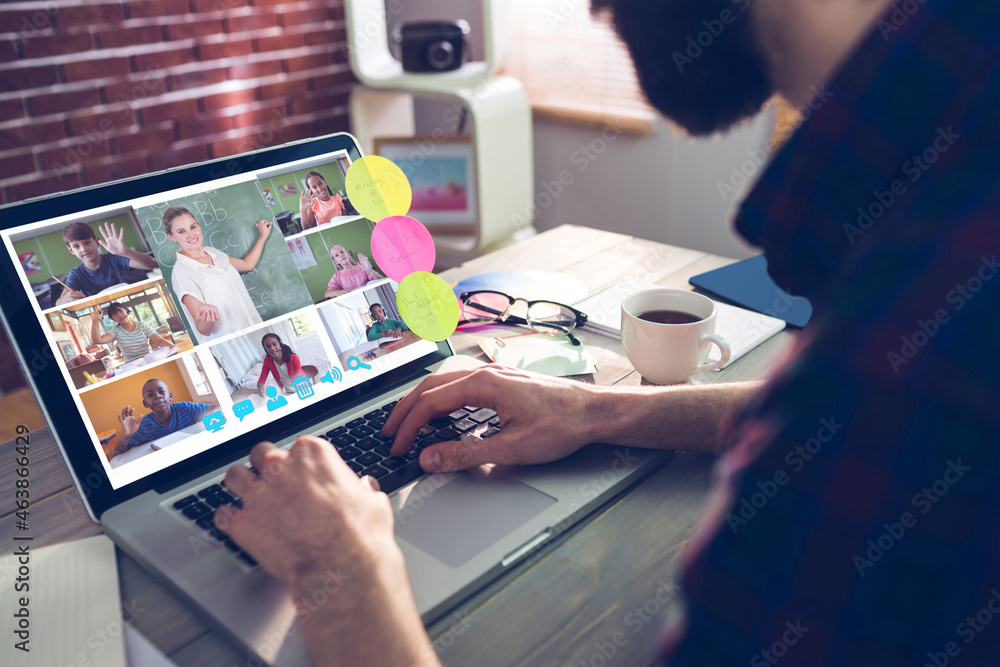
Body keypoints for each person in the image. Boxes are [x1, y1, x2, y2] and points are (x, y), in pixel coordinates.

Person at [213, 1, 999, 665]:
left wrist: (339, 574)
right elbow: (835, 424)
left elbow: (865, 410)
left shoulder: (909, 341)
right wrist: (604, 411)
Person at [164, 206, 270, 342]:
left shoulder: (213, 252)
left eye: (193, 227)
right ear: (171, 237)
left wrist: (263, 236)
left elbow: (247, 265)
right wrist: (207, 317)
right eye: (181, 231)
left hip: (255, 326)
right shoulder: (181, 272)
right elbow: (203, 329)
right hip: (234, 341)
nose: (191, 234)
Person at [55, 221, 159, 305]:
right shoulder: (75, 274)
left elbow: (154, 264)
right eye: (76, 246)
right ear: (71, 250)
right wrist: (66, 300)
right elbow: (58, 303)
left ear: (97, 242)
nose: (83, 249)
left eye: (87, 242)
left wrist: (126, 252)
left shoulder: (114, 258)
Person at [112, 379, 218, 456]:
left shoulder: (185, 408)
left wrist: (204, 431)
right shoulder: (142, 426)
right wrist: (127, 435)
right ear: (145, 404)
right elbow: (116, 454)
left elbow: (217, 409)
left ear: (170, 396)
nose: (157, 396)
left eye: (161, 391)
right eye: (150, 395)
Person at [90, 302, 172, 363]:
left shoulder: (142, 325)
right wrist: (95, 321)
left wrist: (171, 345)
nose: (119, 315)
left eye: (121, 311)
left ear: (126, 310)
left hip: (149, 360)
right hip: (131, 364)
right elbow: (98, 340)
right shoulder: (115, 331)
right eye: (115, 314)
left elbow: (160, 341)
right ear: (113, 319)